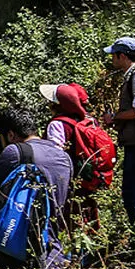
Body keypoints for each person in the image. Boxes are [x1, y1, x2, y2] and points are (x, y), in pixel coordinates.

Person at [0, 107, 73, 269]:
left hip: (15, 247)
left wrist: (0, 160)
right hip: (52, 252)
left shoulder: (15, 152)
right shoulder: (64, 157)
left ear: (11, 134)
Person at [100, 37, 135, 231]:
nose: (112, 59)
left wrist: (116, 118)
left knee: (132, 193)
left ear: (122, 56)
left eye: (114, 55)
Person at [40, 82, 101, 236]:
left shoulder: (57, 124)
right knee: (87, 212)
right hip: (87, 175)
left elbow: (55, 154)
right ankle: (90, 254)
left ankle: (68, 256)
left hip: (67, 178)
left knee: (66, 218)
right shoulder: (88, 120)